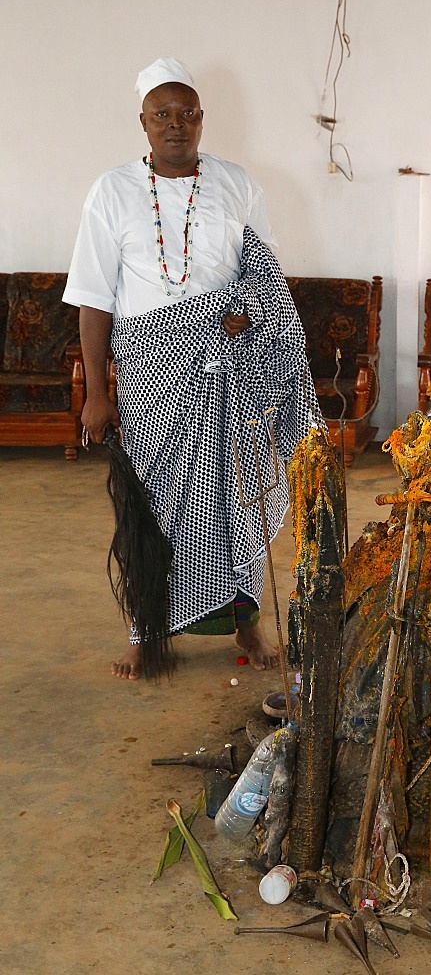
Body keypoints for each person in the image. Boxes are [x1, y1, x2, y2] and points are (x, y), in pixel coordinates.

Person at [64, 58, 320, 681]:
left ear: (202, 120)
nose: (175, 125)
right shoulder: (112, 190)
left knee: (240, 495)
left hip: (234, 370)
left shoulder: (237, 184)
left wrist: (246, 315)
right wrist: (97, 393)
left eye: (187, 114)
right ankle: (147, 632)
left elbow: (264, 276)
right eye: (162, 116)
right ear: (143, 124)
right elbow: (95, 296)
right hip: (153, 369)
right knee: (154, 504)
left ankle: (247, 624)